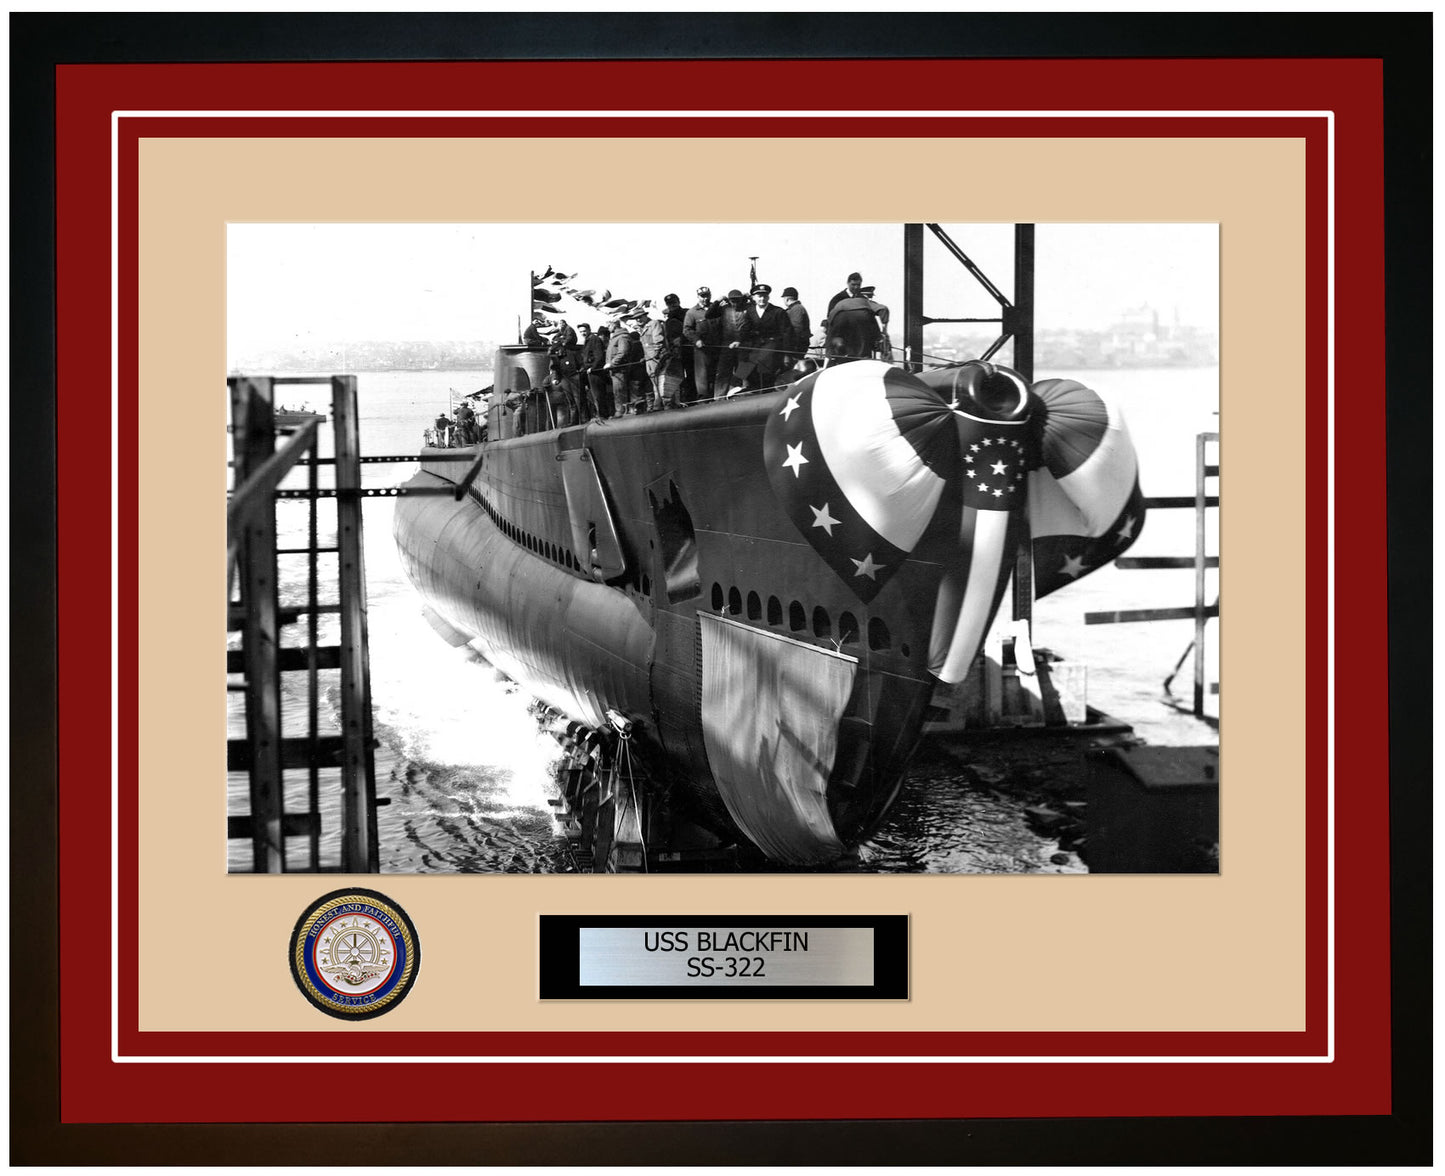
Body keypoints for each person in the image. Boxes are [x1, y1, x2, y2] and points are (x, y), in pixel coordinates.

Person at [734, 283, 790, 390]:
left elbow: (786, 334)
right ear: (754, 298)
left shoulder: (778, 312)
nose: (762, 299)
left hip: (772, 348)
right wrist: (738, 340)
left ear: (768, 297)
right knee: (744, 369)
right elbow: (745, 329)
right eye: (759, 296)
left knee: (765, 374)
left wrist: (787, 354)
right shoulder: (750, 312)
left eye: (765, 296)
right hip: (754, 347)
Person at [682, 285, 720, 404]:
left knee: (717, 372)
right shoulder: (692, 312)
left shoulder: (717, 309)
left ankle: (717, 397)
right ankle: (703, 399)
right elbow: (687, 330)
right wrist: (696, 340)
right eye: (702, 296)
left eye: (707, 296)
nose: (705, 298)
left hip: (718, 347)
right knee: (702, 375)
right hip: (702, 348)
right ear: (698, 297)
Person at [607, 310, 648, 414]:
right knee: (618, 392)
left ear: (614, 325)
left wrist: (612, 363)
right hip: (615, 370)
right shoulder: (615, 338)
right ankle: (621, 411)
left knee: (620, 392)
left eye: (609, 325)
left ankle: (621, 412)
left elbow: (623, 352)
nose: (608, 328)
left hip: (620, 369)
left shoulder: (622, 337)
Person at [712, 289, 749, 397]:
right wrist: (717, 302)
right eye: (733, 301)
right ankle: (719, 397)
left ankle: (742, 394)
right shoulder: (724, 308)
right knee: (723, 371)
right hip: (727, 344)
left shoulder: (747, 308)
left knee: (743, 371)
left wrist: (749, 298)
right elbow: (709, 315)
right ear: (729, 300)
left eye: (738, 300)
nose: (735, 303)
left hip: (743, 343)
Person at [575, 322, 601, 420]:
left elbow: (598, 355)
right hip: (588, 370)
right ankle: (597, 414)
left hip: (594, 371)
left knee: (597, 394)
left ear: (589, 330)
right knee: (592, 395)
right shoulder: (587, 340)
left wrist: (593, 367)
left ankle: (601, 415)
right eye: (581, 332)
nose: (583, 333)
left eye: (584, 331)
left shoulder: (594, 339)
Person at [780, 286, 811, 368]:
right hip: (796, 345)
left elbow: (796, 329)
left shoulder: (796, 309)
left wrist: (790, 346)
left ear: (787, 299)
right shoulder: (797, 308)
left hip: (796, 346)